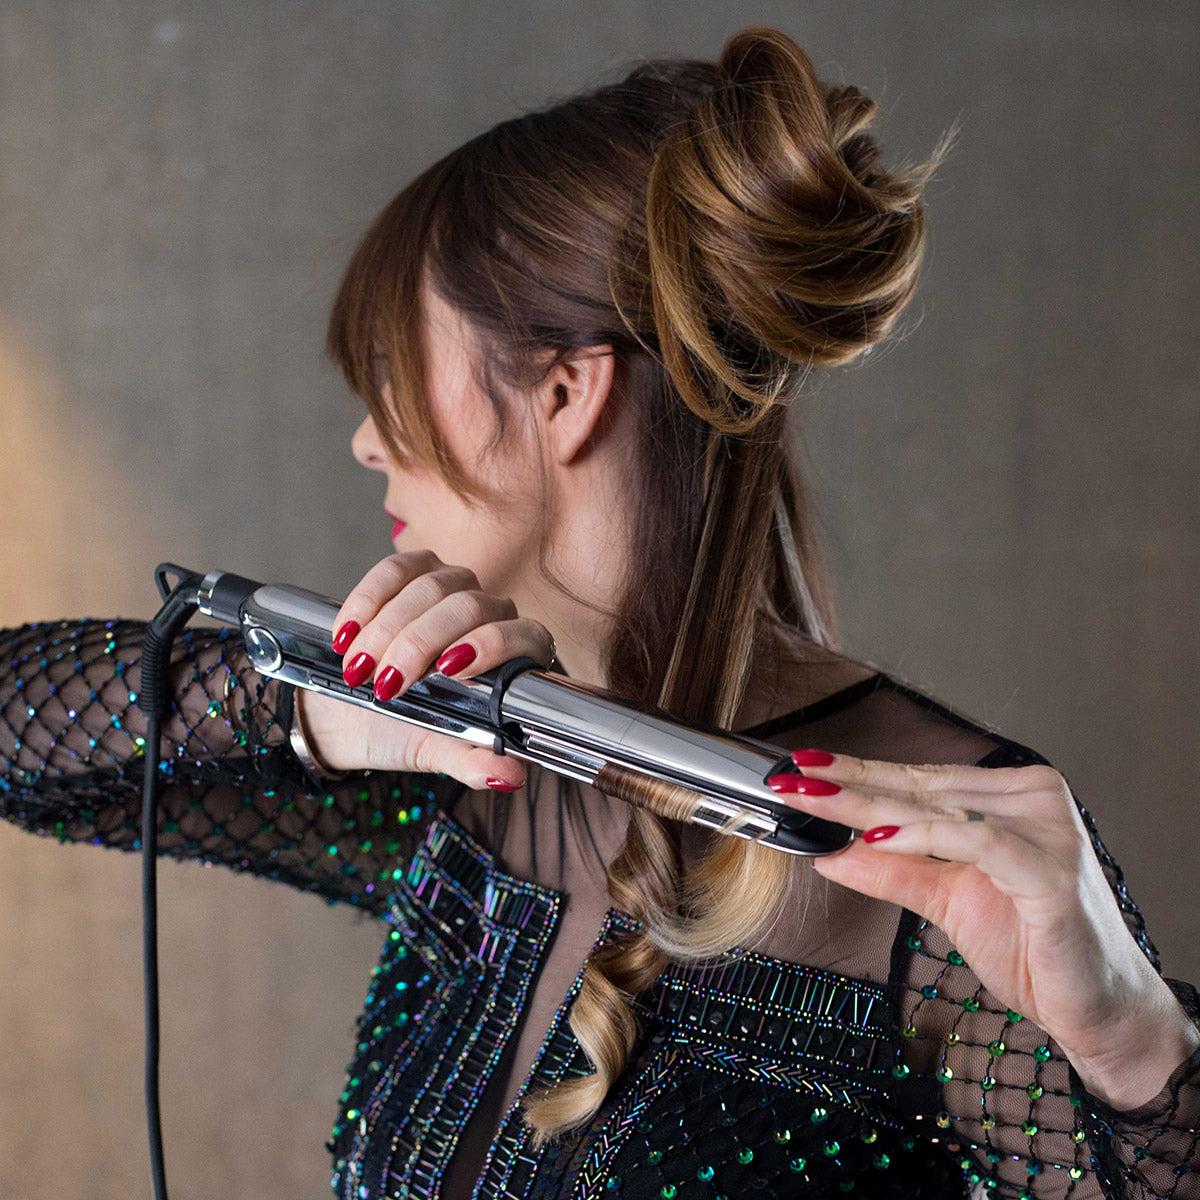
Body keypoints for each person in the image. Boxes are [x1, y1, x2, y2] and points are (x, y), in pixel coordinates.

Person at [2, 25, 1197, 1200]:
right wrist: (321, 716)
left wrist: (1140, 1053)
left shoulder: (940, 866)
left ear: (566, 394)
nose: (368, 439)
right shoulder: (459, 773)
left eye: (393, 370)